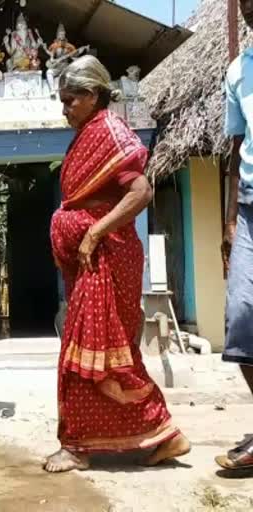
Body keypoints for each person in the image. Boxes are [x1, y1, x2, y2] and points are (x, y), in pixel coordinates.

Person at [45, 56, 191, 472]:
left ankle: (78, 447)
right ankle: (164, 435)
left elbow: (141, 191)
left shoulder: (110, 131)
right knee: (109, 356)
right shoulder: (90, 132)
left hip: (107, 257)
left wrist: (93, 232)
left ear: (93, 95)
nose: (65, 108)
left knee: (87, 356)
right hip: (96, 261)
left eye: (70, 100)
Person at [216, 0, 253, 472]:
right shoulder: (238, 71)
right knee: (241, 317)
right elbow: (235, 145)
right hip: (249, 207)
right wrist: (229, 221)